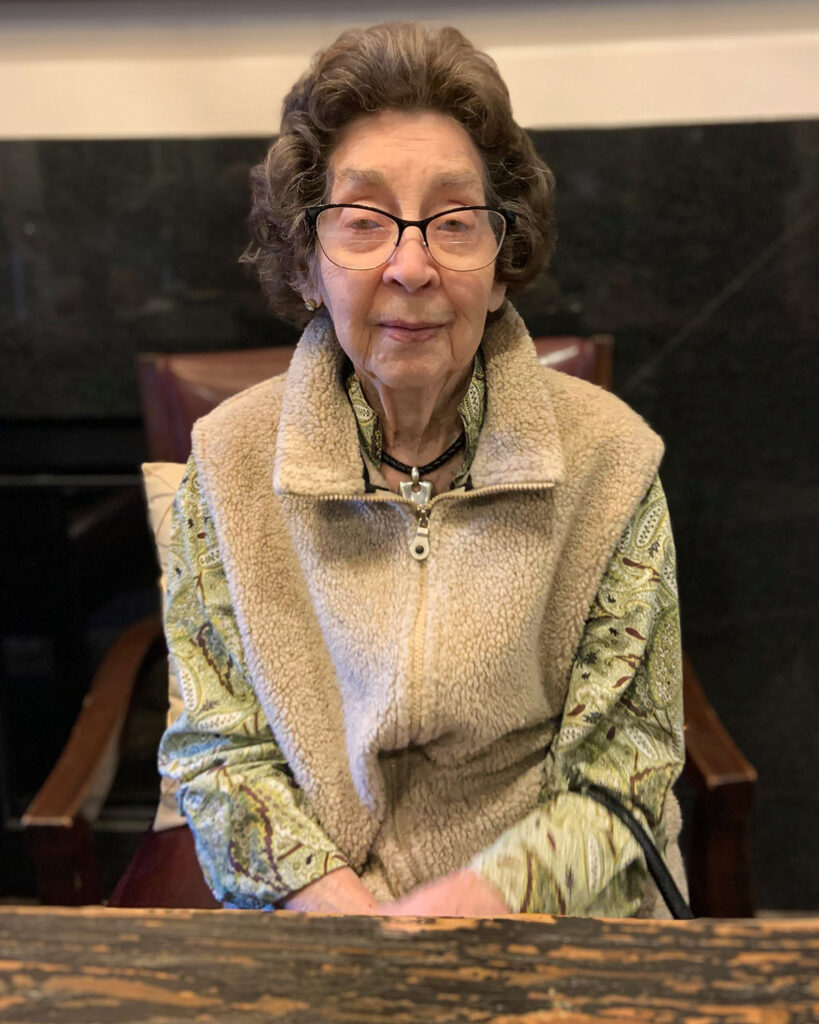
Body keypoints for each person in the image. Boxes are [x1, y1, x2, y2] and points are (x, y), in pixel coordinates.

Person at [158, 22, 686, 917]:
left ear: (502, 260)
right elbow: (216, 750)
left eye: (452, 222)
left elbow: (627, 755)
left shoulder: (611, 457)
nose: (411, 265)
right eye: (363, 223)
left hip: (547, 916)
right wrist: (344, 916)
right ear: (308, 261)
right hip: (317, 911)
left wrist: (483, 899)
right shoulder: (229, 459)